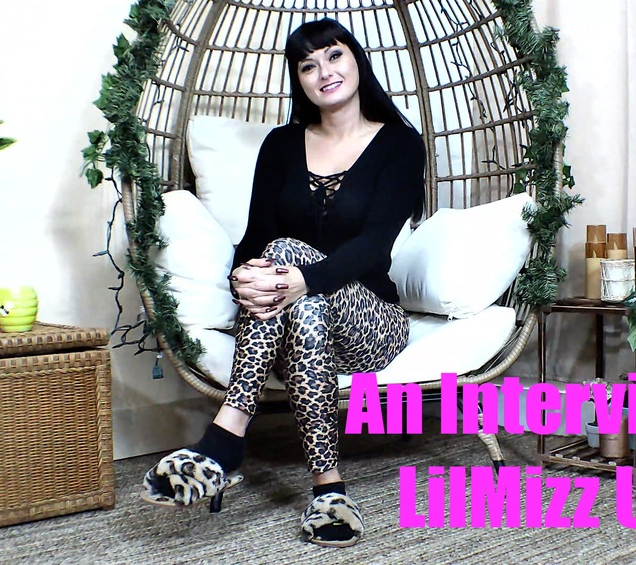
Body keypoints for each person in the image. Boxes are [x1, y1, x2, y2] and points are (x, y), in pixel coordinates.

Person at [141, 18, 426, 548]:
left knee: (289, 255)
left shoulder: (400, 145)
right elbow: (255, 239)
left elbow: (373, 246)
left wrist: (298, 277)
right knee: (293, 284)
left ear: (357, 60)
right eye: (308, 65)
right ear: (299, 80)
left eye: (334, 56)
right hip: (294, 326)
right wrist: (242, 278)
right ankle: (328, 488)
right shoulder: (281, 144)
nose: (325, 72)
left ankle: (226, 437)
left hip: (371, 324)